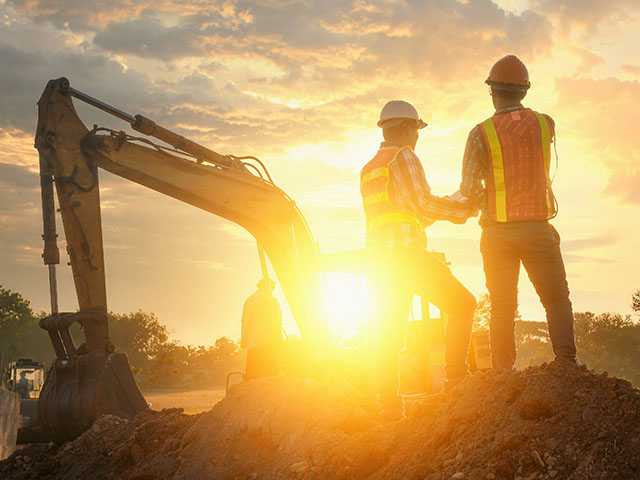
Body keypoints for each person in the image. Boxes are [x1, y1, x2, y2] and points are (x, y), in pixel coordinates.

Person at [361, 100, 477, 421]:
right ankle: (456, 378)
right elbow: (423, 205)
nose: (417, 137)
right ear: (407, 128)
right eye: (417, 129)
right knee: (464, 304)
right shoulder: (405, 157)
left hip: (380, 264)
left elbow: (406, 213)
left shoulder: (371, 167)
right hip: (407, 257)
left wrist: (448, 206)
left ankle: (390, 407)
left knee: (389, 332)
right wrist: (464, 207)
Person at [459, 55, 579, 369]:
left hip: (497, 232)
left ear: (492, 92)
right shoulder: (545, 123)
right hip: (537, 228)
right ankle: (567, 363)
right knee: (555, 297)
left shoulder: (479, 134)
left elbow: (470, 191)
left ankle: (502, 375)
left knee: (502, 306)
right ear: (524, 91)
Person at [240, 278, 284, 379]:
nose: (273, 289)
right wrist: (276, 307)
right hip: (265, 338)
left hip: (252, 339)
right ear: (268, 286)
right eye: (273, 287)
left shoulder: (249, 299)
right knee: (266, 373)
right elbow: (271, 318)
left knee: (253, 372)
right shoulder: (265, 298)